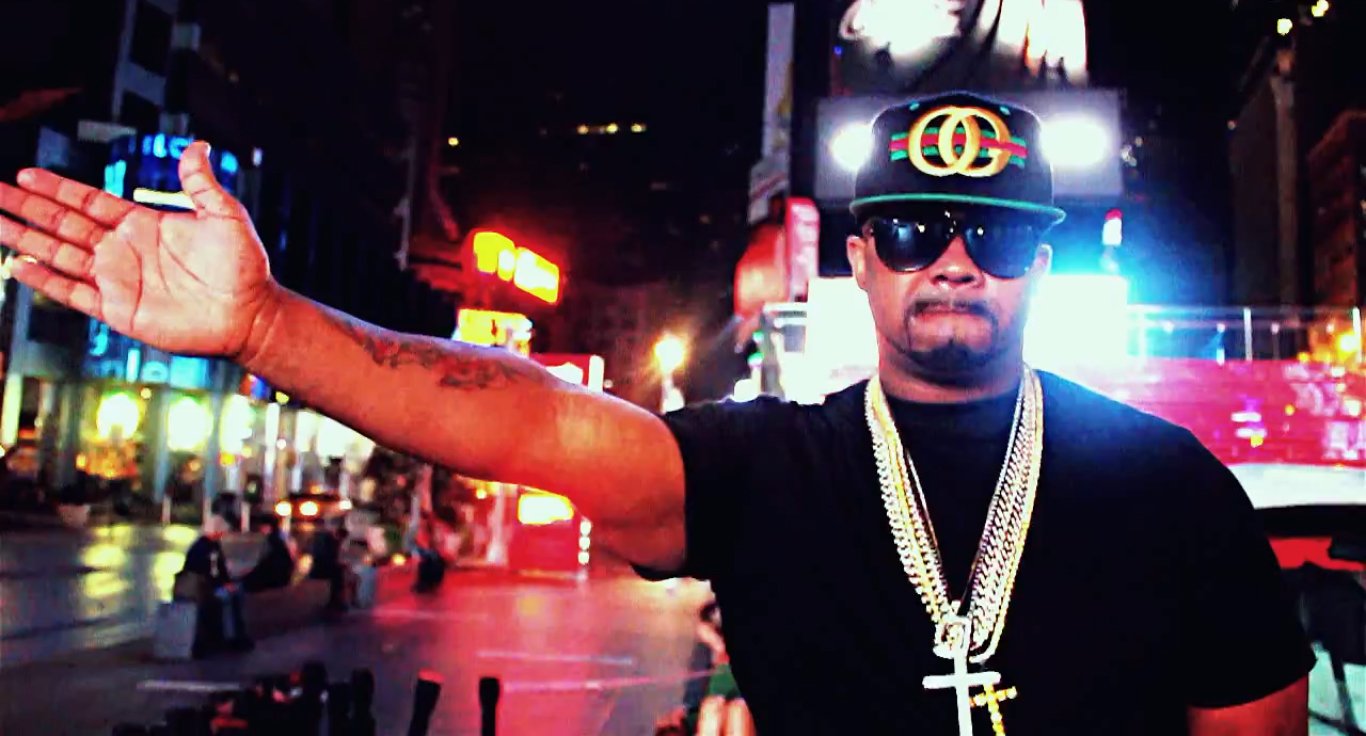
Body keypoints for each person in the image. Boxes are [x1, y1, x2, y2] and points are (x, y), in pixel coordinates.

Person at [0, 91, 1313, 734]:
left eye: (996, 233)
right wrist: (265, 328)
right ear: (859, 258)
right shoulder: (770, 465)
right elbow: (528, 421)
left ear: (1044, 261)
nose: (954, 260)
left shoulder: (1169, 484)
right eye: (915, 229)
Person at [181, 514, 251, 651]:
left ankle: (235, 635)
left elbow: (218, 571)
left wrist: (226, 582)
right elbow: (208, 572)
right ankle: (233, 636)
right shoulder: (205, 548)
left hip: (207, 586)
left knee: (236, 592)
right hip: (203, 588)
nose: (224, 535)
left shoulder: (207, 546)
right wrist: (223, 584)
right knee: (231, 598)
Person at [240, 517, 295, 593]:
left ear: (268, 527)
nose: (260, 529)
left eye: (262, 526)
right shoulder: (277, 541)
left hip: (267, 583)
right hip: (277, 582)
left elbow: (263, 562)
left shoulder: (269, 542)